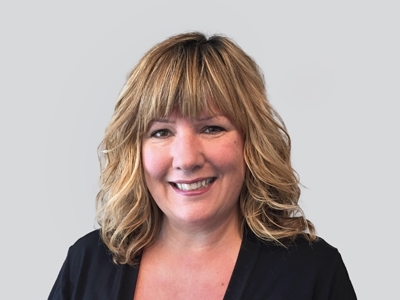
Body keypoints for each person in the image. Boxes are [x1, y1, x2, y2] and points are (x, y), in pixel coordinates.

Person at [48, 32, 357, 300]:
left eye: (212, 128)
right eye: (161, 132)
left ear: (252, 141)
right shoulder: (87, 264)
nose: (186, 159)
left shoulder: (313, 273)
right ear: (135, 150)